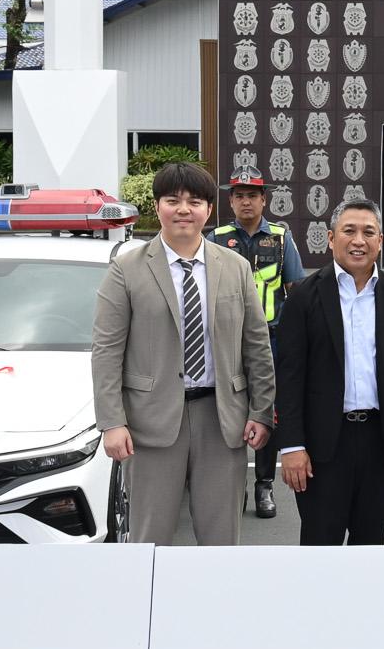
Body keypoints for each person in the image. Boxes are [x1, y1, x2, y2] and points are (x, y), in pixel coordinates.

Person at [91, 161, 274, 544]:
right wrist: (112, 422)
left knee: (221, 538)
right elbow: (107, 350)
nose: (183, 209)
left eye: (194, 201)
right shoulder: (127, 269)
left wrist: (261, 411)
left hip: (221, 419)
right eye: (173, 200)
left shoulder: (236, 267)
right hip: (150, 422)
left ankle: (215, 605)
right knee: (151, 538)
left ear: (209, 210)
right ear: (157, 206)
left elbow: (256, 344)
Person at [273, 197, 384, 545]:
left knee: (371, 544)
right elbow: (289, 378)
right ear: (331, 239)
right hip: (322, 446)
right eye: (349, 231)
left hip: (380, 441)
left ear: (380, 241)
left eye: (368, 232)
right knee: (319, 544)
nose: (359, 240)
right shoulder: (303, 297)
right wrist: (292, 447)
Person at [208, 170, 306, 519]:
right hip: (225, 340)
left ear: (264, 200)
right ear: (230, 201)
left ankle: (264, 484)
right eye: (239, 195)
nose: (246, 201)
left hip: (271, 339)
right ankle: (230, 485)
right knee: (225, 409)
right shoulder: (215, 239)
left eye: (253, 195)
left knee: (268, 411)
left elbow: (296, 290)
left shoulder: (280, 237)